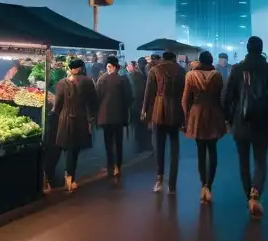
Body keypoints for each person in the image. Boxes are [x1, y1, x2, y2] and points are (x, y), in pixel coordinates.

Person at [222, 35, 268, 218]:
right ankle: (256, 191)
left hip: (242, 122)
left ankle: (249, 197)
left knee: (243, 161)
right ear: (261, 49)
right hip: (263, 123)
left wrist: (229, 119)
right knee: (261, 160)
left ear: (247, 49)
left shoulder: (237, 69)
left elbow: (226, 97)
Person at [182, 51, 227, 203]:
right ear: (212, 61)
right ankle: (209, 185)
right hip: (214, 113)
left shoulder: (190, 76)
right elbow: (221, 97)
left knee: (200, 150)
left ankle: (203, 185)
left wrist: (187, 116)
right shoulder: (217, 76)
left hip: (197, 113)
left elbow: (185, 100)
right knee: (212, 150)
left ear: (200, 61)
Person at [141, 50, 185, 194]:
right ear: (174, 58)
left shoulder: (155, 70)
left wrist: (145, 113)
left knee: (158, 146)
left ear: (162, 59)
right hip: (176, 112)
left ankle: (159, 179)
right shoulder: (181, 70)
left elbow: (149, 93)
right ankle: (172, 184)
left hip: (158, 112)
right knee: (174, 148)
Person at [54, 58, 98, 192]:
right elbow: (93, 102)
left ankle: (68, 176)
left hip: (65, 118)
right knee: (75, 148)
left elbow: (57, 104)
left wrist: (57, 114)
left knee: (68, 148)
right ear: (79, 68)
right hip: (80, 118)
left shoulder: (61, 83)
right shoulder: (87, 81)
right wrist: (91, 119)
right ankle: (71, 177)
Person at [96, 55, 133, 177]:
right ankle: (118, 166)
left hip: (105, 116)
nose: (109, 68)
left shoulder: (101, 80)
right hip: (119, 116)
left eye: (109, 66)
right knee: (118, 142)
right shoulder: (123, 80)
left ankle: (110, 165)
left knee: (108, 142)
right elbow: (129, 98)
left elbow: (97, 98)